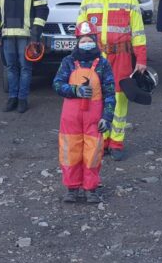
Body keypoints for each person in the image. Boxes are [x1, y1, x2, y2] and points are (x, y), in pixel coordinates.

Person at [77, 0, 146, 161]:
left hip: (122, 57)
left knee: (119, 101)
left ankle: (116, 142)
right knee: (96, 100)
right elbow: (81, 33)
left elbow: (139, 32)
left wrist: (141, 58)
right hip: (96, 58)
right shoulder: (88, 0)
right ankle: (102, 140)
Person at [53, 21, 115, 204]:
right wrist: (75, 90)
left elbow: (110, 92)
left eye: (90, 39)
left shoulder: (103, 64)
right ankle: (72, 189)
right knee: (69, 151)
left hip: (94, 119)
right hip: (71, 119)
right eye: (83, 40)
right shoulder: (68, 62)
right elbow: (57, 84)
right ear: (77, 41)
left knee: (93, 153)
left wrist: (107, 117)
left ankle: (91, 189)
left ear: (95, 41)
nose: (86, 43)